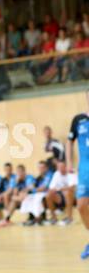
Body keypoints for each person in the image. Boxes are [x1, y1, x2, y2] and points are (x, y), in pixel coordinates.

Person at [67, 93, 89, 258]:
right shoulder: (78, 120)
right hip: (84, 170)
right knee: (81, 206)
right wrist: (69, 163)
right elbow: (69, 141)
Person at [44, 161, 77, 226]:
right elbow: (51, 188)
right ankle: (54, 218)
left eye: (62, 167)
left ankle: (69, 218)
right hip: (61, 196)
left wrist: (59, 189)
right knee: (48, 195)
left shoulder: (71, 173)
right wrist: (55, 190)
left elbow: (72, 188)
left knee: (68, 193)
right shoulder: (56, 174)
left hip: (74, 196)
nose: (60, 169)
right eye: (59, 167)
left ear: (66, 167)